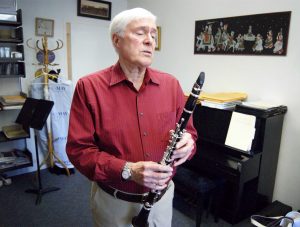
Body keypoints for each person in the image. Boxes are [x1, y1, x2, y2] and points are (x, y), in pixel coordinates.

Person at [66, 7, 197, 227]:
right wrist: (128, 170)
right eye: (140, 33)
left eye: (154, 35)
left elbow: (190, 133)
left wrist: (188, 145)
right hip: (113, 203)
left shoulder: (171, 85)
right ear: (116, 40)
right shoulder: (89, 87)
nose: (150, 41)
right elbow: (79, 151)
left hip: (162, 201)